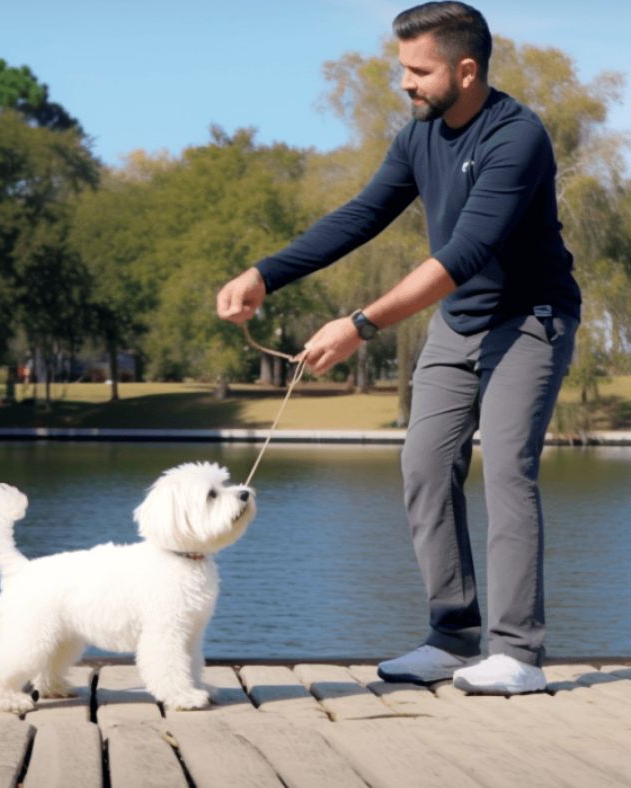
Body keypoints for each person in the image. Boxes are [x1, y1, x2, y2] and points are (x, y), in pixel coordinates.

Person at [216, 1, 580, 695]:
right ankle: (452, 635)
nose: (405, 84)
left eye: (419, 70)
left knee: (506, 466)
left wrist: (359, 324)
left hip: (531, 319)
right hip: (461, 320)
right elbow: (361, 215)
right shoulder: (419, 137)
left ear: (466, 70)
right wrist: (266, 274)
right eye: (402, 70)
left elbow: (467, 252)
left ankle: (516, 651)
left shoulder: (517, 137)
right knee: (423, 464)